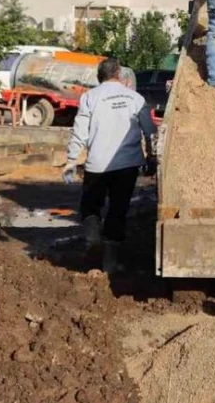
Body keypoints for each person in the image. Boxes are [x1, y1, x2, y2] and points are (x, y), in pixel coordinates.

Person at [63, 58, 156, 273]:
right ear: (119, 74)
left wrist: (71, 160)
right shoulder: (136, 98)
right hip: (128, 164)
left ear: (100, 75)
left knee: (90, 205)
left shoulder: (90, 97)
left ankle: (93, 238)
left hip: (98, 164)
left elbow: (80, 131)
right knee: (118, 209)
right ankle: (110, 262)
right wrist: (151, 157)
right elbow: (151, 132)